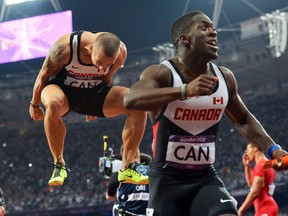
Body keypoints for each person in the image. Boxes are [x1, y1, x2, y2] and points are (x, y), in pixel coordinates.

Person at [123, 11, 288, 216]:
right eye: (204, 28)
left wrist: (273, 149)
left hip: (204, 177)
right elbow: (131, 99)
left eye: (213, 29)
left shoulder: (224, 77)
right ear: (185, 39)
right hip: (166, 180)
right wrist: (184, 91)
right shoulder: (163, 73)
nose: (213, 33)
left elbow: (243, 119)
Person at [29, 31, 148, 186]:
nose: (101, 68)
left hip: (91, 93)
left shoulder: (120, 54)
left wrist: (96, 106)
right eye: (99, 62)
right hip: (62, 91)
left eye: (108, 64)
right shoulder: (65, 48)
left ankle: (127, 167)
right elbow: (43, 75)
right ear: (90, 49)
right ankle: (59, 165)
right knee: (52, 104)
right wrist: (35, 104)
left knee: (138, 104)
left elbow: (106, 79)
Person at [106, 147, 150, 216]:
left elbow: (109, 197)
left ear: (123, 157)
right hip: (149, 213)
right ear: (138, 155)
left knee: (116, 206)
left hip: (127, 213)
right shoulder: (151, 170)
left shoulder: (119, 173)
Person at [238, 143, 278, 216]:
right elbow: (251, 184)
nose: (246, 153)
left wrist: (241, 209)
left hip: (265, 208)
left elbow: (255, 192)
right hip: (268, 206)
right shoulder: (267, 164)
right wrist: (247, 166)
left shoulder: (260, 166)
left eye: (248, 150)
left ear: (255, 149)